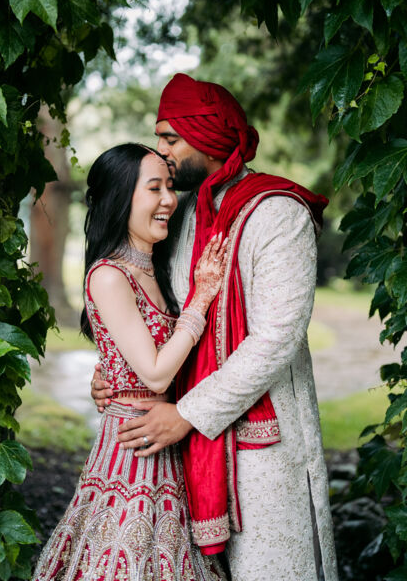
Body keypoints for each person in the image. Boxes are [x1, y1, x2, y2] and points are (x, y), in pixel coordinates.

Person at [91, 74, 339, 581]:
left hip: (263, 447)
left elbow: (276, 338)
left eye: (170, 139)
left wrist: (188, 413)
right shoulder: (179, 214)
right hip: (179, 450)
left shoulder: (277, 213)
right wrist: (116, 374)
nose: (161, 153)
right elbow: (148, 308)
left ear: (206, 137)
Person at [32, 143, 229, 581]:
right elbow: (155, 372)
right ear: (122, 197)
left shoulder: (156, 267)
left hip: (168, 443)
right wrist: (201, 298)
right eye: (154, 188)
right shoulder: (109, 275)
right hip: (131, 453)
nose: (169, 200)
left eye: (170, 187)